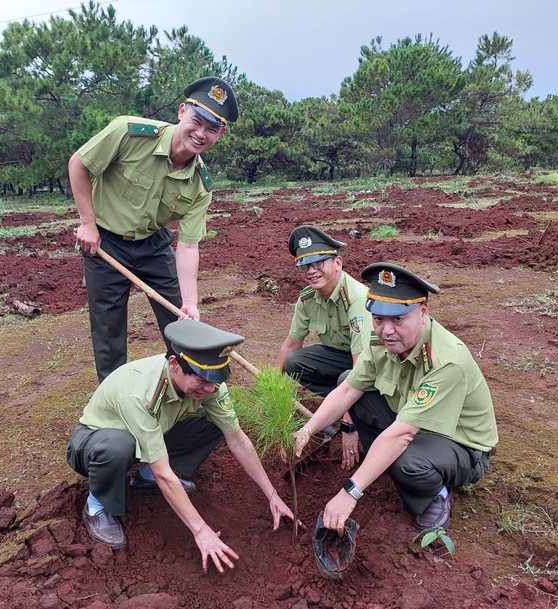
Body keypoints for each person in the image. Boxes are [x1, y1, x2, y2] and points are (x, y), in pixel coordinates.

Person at [66, 320, 294, 573]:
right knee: (119, 446)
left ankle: (144, 476)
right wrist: (201, 530)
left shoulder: (210, 385)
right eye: (202, 379)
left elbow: (237, 438)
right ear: (174, 365)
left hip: (149, 435)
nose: (210, 387)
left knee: (214, 422)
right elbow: (165, 474)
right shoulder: (139, 393)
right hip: (95, 444)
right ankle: (97, 505)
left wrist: (272, 495)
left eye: (215, 380)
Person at [292, 263, 497, 536]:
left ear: (423, 312)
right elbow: (347, 391)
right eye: (378, 319)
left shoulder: (446, 362)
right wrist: (307, 430)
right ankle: (380, 460)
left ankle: (436, 494)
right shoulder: (381, 342)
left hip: (461, 445)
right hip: (413, 423)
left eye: (398, 319)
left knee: (405, 459)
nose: (386, 330)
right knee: (347, 380)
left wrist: (350, 492)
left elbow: (403, 434)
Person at [68, 77, 239, 381]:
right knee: (108, 328)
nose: (201, 133)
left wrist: (190, 302)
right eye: (196, 121)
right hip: (105, 241)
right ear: (182, 111)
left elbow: (188, 245)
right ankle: (113, 392)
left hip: (152, 243)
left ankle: (191, 385)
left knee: (180, 318)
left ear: (220, 134)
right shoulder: (128, 132)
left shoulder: (201, 185)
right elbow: (78, 164)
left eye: (212, 129)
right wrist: (87, 223)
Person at [272, 225, 371, 457]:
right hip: (342, 360)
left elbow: (361, 367)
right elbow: (290, 345)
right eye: (305, 265)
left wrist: (349, 425)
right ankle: (335, 404)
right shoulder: (308, 299)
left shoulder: (356, 299)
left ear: (338, 263)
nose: (312, 271)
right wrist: (270, 390)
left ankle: (358, 409)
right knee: (294, 361)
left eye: (319, 263)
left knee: (349, 377)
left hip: (373, 367)